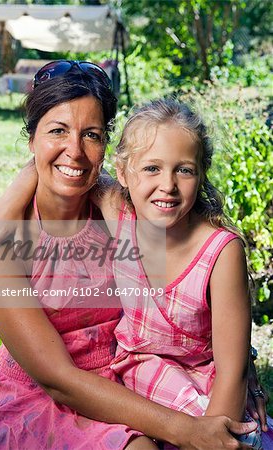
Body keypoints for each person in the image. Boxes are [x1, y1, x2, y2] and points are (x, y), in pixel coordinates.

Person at [0, 61, 264, 450]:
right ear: (31, 138)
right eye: (56, 130)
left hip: (127, 379)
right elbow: (57, 379)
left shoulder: (117, 205)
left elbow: (198, 273)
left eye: (91, 135)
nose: (74, 151)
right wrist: (185, 430)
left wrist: (241, 369)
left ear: (106, 146)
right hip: (44, 397)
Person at [96, 98, 273, 449]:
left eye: (184, 170)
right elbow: (58, 162)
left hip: (205, 386)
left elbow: (232, 371)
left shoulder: (221, 252)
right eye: (151, 169)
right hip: (139, 383)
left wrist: (211, 437)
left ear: (201, 173)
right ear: (122, 171)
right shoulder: (119, 211)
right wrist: (5, 205)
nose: (168, 185)